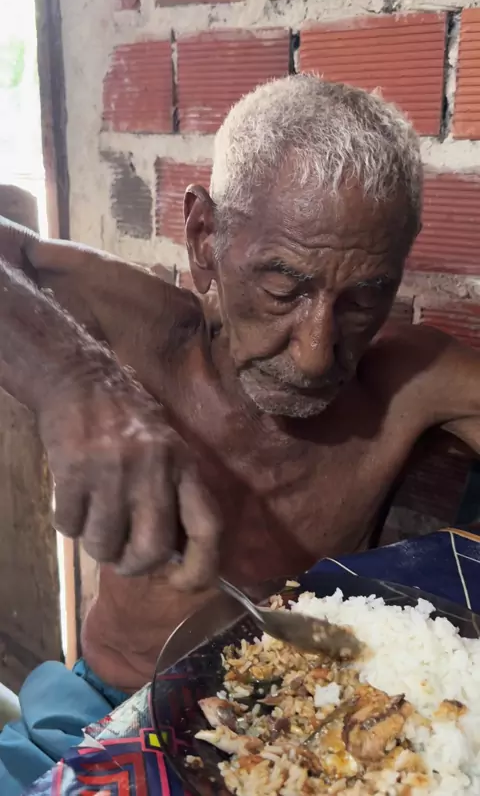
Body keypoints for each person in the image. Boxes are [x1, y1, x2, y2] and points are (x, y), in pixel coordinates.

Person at [0, 75, 479, 793]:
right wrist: (75, 380)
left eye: (364, 298)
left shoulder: (410, 382)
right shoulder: (144, 333)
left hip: (305, 735)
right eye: (282, 288)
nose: (315, 354)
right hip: (106, 712)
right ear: (205, 239)